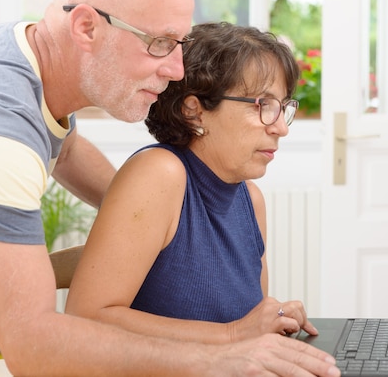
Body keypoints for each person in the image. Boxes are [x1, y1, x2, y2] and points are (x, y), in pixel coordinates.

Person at [0, 0, 339, 374]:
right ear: (85, 28)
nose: (178, 69)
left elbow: (69, 152)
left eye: (178, 42)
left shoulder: (31, 64)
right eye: (158, 43)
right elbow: (31, 346)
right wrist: (223, 351)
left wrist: (161, 220)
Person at [65, 21, 317, 344]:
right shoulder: (160, 174)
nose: (281, 127)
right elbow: (85, 319)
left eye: (282, 108)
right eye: (262, 106)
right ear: (194, 112)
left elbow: (243, 336)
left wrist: (269, 324)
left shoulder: (251, 201)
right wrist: (234, 334)